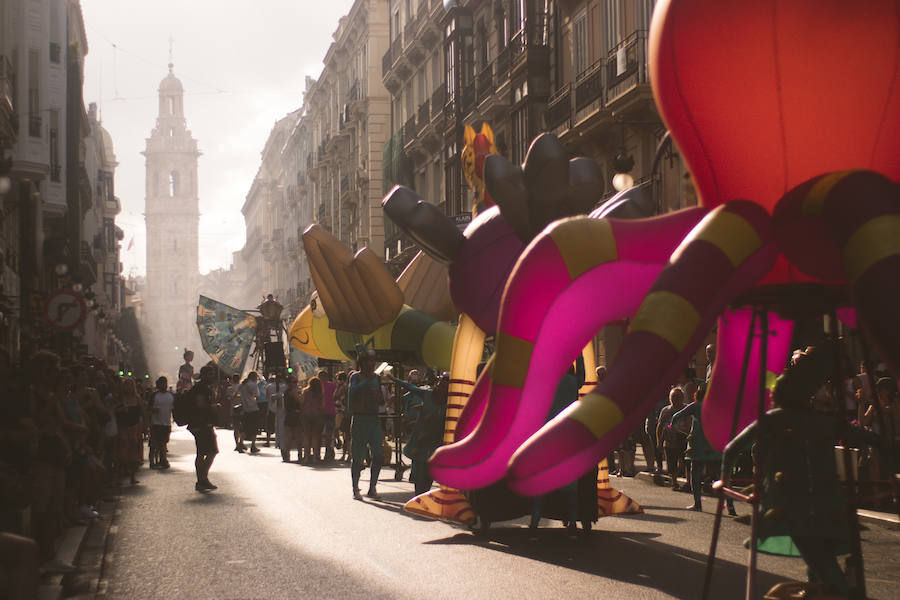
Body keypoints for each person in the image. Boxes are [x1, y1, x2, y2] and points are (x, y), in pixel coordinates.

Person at [722, 344, 883, 600]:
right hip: (828, 503)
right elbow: (872, 439)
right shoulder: (824, 420)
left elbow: (730, 450)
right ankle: (820, 591)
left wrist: (725, 481)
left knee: (819, 559)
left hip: (793, 504)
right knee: (820, 557)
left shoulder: (773, 418)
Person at [672, 384, 736, 515]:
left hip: (698, 445)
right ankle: (730, 506)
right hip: (714, 444)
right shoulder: (718, 407)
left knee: (696, 474)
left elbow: (676, 417)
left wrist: (675, 428)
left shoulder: (695, 406)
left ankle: (698, 503)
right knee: (721, 476)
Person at [348, 348, 385, 500]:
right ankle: (355, 487)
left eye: (373, 361)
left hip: (374, 420)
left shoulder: (377, 378)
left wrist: (379, 398)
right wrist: (367, 382)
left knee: (379, 455)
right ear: (362, 363)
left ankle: (372, 487)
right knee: (357, 457)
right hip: (360, 419)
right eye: (369, 361)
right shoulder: (356, 377)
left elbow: (382, 400)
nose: (372, 363)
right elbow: (353, 392)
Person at [188, 366, 220, 491]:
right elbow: (200, 404)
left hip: (201, 424)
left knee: (202, 453)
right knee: (211, 451)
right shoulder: (202, 388)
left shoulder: (202, 387)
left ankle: (201, 479)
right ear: (204, 375)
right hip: (201, 424)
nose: (212, 377)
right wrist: (214, 407)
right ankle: (202, 479)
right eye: (210, 374)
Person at [114, 378, 145, 486]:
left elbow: (143, 412)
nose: (128, 388)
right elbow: (114, 411)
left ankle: (132, 476)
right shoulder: (120, 398)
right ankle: (120, 476)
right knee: (122, 454)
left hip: (135, 428)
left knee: (134, 454)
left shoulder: (137, 398)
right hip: (123, 428)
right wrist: (120, 410)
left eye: (130, 385)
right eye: (126, 385)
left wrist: (146, 427)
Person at [657, 386, 687, 490]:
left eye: (678, 396)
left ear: (683, 397)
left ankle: (688, 483)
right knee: (671, 462)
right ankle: (674, 482)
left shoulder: (687, 409)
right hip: (670, 441)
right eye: (673, 396)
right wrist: (659, 442)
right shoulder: (666, 411)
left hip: (684, 440)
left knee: (685, 462)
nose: (676, 399)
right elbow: (660, 426)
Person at [148, 376, 174, 469]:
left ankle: (161, 459)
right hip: (155, 423)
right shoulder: (154, 395)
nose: (164, 385)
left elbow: (173, 408)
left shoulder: (170, 396)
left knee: (163, 442)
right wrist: (152, 410)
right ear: (158, 385)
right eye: (162, 383)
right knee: (154, 443)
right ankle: (155, 461)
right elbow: (148, 408)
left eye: (165, 383)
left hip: (166, 423)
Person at [300, 376, 325, 463]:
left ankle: (306, 457)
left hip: (306, 414)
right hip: (317, 415)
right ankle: (315, 457)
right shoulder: (320, 393)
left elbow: (302, 402)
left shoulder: (305, 391)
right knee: (315, 436)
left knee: (306, 436)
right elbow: (323, 405)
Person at [282, 375, 303, 462]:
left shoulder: (286, 392)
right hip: (295, 414)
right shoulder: (293, 392)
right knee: (297, 435)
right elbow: (300, 402)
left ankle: (287, 454)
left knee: (289, 435)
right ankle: (299, 454)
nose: (296, 384)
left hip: (289, 414)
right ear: (290, 383)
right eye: (294, 382)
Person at [238, 372, 261, 454]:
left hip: (245, 409)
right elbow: (257, 397)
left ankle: (240, 444)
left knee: (244, 427)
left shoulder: (242, 385)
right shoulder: (253, 385)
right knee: (254, 428)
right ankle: (253, 446)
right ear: (254, 377)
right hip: (253, 408)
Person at [318, 369, 337, 461]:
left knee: (318, 433)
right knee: (329, 433)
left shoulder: (317, 386)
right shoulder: (333, 385)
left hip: (320, 412)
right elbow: (337, 396)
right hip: (331, 411)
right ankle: (327, 452)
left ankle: (317, 453)